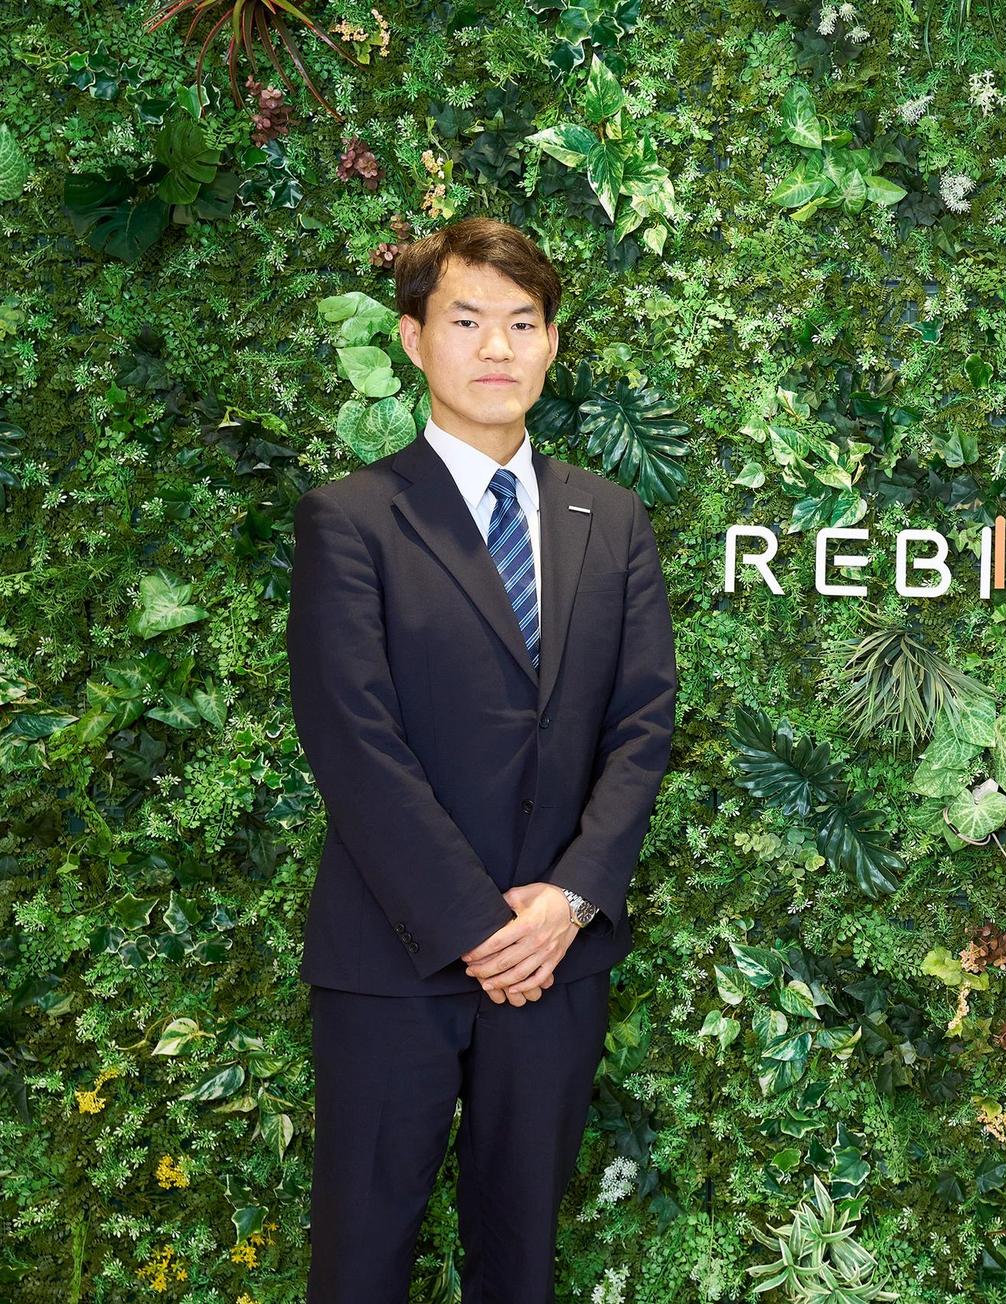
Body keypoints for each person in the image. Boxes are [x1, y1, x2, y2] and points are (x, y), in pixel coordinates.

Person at [285, 215, 677, 1302]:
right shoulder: (352, 519)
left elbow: (641, 726)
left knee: (520, 1262)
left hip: (557, 960)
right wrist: (479, 926)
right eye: (466, 321)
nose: (496, 347)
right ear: (416, 339)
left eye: (522, 322)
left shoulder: (613, 518)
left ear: (552, 343)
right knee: (361, 1259)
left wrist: (566, 904)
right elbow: (353, 740)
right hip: (391, 959)